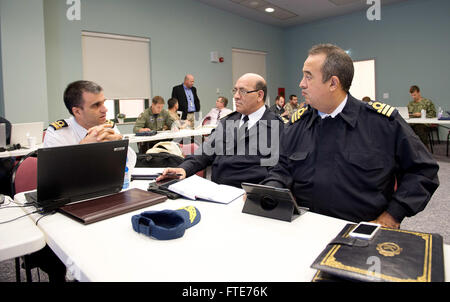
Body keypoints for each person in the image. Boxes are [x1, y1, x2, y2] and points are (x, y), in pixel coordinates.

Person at [260, 44, 439, 228]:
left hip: (358, 232)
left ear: (333, 83)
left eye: (308, 76)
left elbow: (423, 171)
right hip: (303, 227)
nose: (301, 84)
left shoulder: (382, 123)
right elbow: (281, 168)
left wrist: (393, 215)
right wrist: (271, 188)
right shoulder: (298, 124)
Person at [157, 73, 283, 188]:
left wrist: (263, 192)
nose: (236, 96)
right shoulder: (227, 122)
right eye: (235, 90)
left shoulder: (276, 126)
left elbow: (279, 170)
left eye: (243, 91)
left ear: (259, 95)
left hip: (250, 194)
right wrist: (184, 169)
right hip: (218, 192)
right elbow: (205, 152)